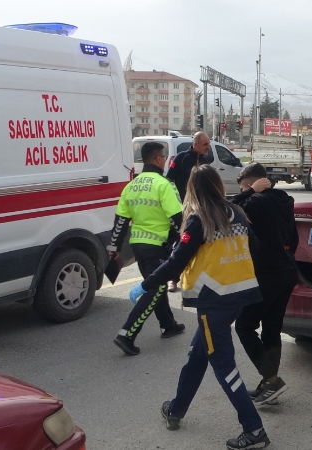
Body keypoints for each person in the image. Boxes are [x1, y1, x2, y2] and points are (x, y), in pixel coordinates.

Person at [129, 165, 271, 449]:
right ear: (218, 185)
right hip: (237, 296)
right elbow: (254, 248)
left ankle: (254, 430)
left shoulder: (199, 219)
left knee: (223, 365)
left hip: (214, 300)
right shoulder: (237, 213)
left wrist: (145, 285)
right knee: (198, 355)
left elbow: (174, 263)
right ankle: (176, 410)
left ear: (192, 189)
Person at [108, 142, 186, 356]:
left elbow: (120, 221)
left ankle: (168, 325)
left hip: (137, 247)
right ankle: (127, 334)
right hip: (157, 247)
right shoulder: (164, 184)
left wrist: (113, 247)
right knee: (154, 289)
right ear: (159, 159)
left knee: (156, 287)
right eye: (165, 156)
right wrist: (184, 241)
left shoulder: (131, 186)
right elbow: (178, 218)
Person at [231, 164, 299, 406]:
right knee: (271, 329)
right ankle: (268, 386)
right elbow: (294, 237)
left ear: (251, 185)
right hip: (287, 269)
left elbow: (223, 209)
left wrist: (249, 193)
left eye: (243, 188)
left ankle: (271, 379)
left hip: (266, 272)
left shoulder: (255, 202)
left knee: (245, 326)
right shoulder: (285, 200)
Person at [165, 131, 213, 292]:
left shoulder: (206, 160)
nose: (208, 147)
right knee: (182, 242)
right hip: (184, 208)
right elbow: (168, 181)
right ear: (195, 144)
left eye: (209, 143)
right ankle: (173, 279)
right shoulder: (181, 158)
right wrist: (177, 202)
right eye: (205, 144)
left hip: (202, 208)